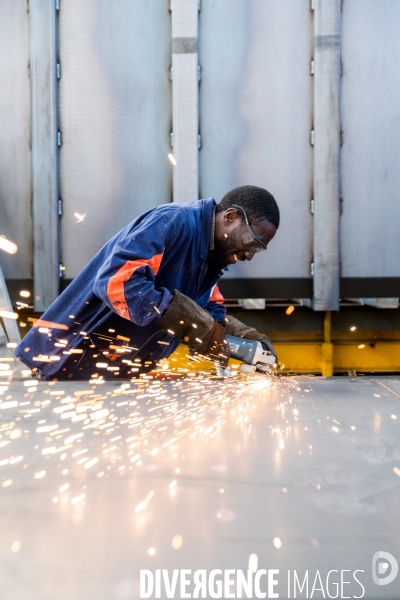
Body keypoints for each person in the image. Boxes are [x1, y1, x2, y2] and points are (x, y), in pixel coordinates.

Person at [15, 185, 280, 380]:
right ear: (230, 217)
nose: (248, 255)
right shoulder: (172, 223)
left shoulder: (210, 260)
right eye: (251, 243)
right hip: (65, 366)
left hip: (114, 375)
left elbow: (209, 315)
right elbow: (117, 283)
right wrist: (190, 322)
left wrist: (246, 340)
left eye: (258, 250)